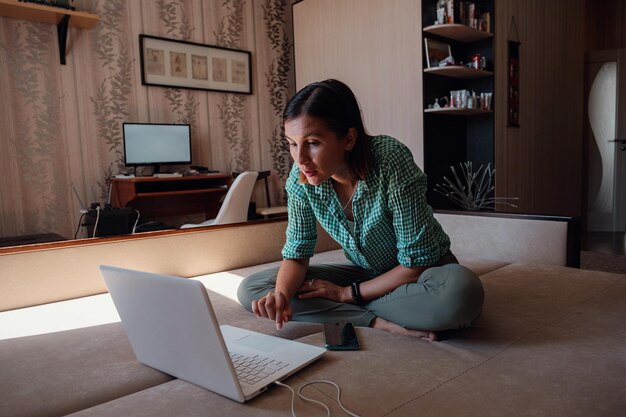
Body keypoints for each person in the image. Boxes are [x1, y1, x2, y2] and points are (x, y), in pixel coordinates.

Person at [237, 79, 484, 341]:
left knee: (461, 293)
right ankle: (376, 321)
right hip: (368, 274)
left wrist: (346, 294)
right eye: (292, 143)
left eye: (312, 143)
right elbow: (297, 254)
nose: (300, 159)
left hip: (423, 274)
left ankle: (349, 308)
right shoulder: (301, 180)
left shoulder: (390, 160)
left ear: (349, 138)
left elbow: (416, 263)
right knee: (254, 289)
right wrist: (281, 297)